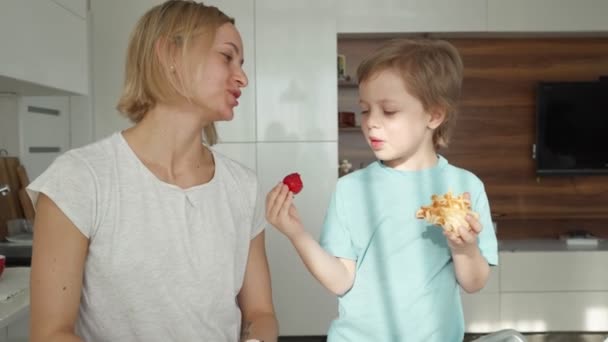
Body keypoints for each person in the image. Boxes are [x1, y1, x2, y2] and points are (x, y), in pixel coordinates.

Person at [27, 1, 277, 341]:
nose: (242, 77)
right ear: (169, 54)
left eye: (241, 63)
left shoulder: (242, 187)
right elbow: (50, 333)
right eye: (226, 56)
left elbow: (260, 313)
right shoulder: (80, 179)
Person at [266, 38, 498, 341]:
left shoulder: (465, 188)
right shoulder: (350, 189)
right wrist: (296, 233)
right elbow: (340, 282)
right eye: (365, 110)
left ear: (434, 115)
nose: (371, 123)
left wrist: (464, 248)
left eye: (388, 111)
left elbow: (474, 283)